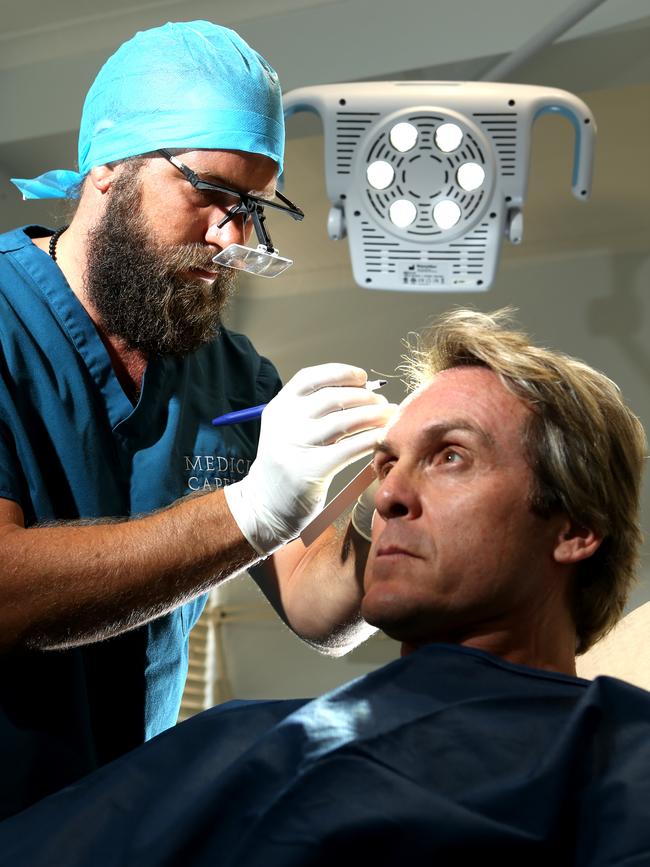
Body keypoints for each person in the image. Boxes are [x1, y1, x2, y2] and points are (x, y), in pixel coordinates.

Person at [1, 307, 649, 865]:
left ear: (575, 529)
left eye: (449, 455)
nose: (388, 493)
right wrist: (252, 507)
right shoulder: (234, 755)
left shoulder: (626, 757)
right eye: (386, 463)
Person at [0, 21, 395, 819]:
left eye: (252, 206)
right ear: (108, 166)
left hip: (117, 819)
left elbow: (319, 609)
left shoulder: (230, 374)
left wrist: (391, 493)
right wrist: (250, 510)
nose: (232, 237)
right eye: (210, 193)